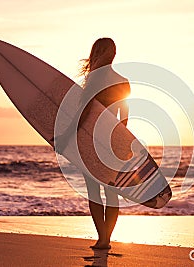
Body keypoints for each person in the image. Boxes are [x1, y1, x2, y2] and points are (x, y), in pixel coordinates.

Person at [78, 38, 130, 250]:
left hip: (90, 139)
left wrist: (65, 137)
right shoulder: (122, 81)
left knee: (94, 191)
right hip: (113, 140)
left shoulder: (93, 81)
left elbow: (84, 114)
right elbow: (125, 117)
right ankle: (105, 238)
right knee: (111, 191)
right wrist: (122, 142)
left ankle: (103, 238)